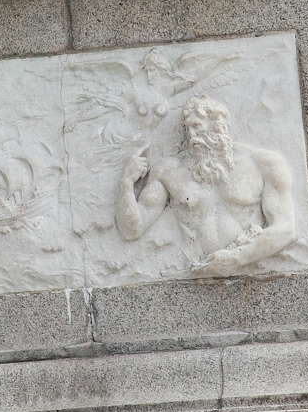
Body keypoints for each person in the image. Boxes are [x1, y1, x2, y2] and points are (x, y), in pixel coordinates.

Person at [115, 95, 297, 277]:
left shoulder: (263, 163)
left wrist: (237, 258)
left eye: (199, 127)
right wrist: (126, 184)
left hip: (253, 275)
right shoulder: (169, 171)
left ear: (220, 126)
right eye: (189, 128)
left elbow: (286, 227)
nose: (194, 136)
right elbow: (132, 229)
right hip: (193, 276)